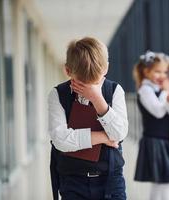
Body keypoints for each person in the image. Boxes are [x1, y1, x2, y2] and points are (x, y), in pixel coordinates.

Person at [48, 37, 128, 200]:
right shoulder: (57, 94)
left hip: (110, 179)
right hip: (72, 181)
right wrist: (103, 138)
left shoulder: (114, 90)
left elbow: (120, 133)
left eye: (95, 83)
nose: (89, 89)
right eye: (83, 84)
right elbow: (61, 140)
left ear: (105, 69)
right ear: (68, 71)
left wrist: (97, 99)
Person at [133, 51, 169, 200]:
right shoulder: (145, 90)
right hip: (154, 140)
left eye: (164, 72)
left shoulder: (158, 90)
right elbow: (159, 112)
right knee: (164, 182)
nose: (162, 75)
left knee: (160, 184)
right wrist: (166, 93)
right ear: (146, 72)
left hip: (162, 140)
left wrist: (168, 97)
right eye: (157, 71)